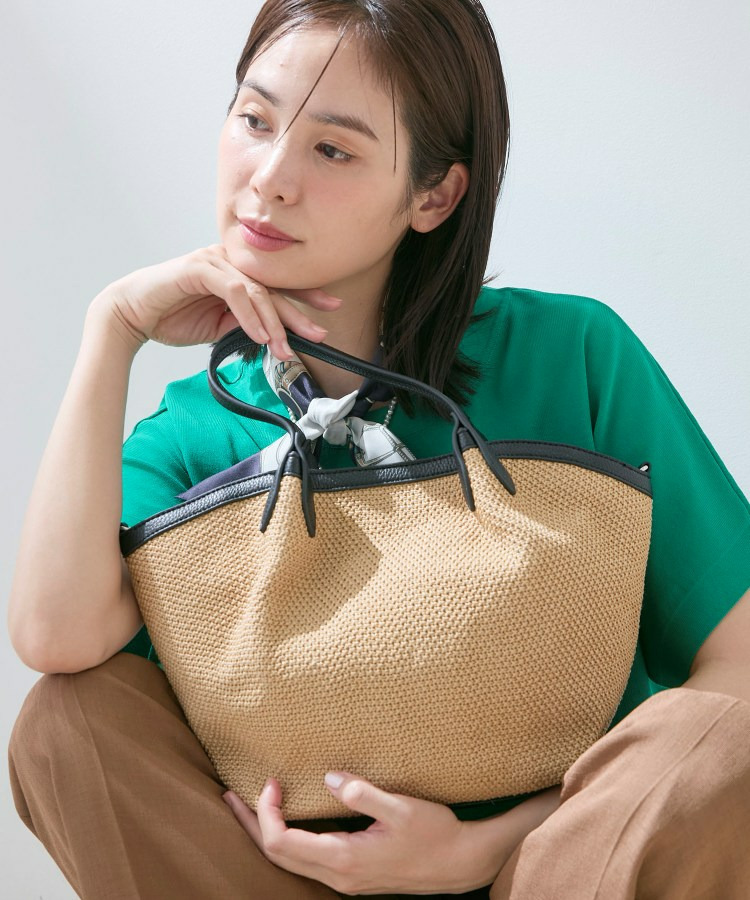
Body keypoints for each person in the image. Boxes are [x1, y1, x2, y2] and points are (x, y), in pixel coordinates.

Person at [7, 0, 750, 897]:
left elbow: (741, 667)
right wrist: (113, 328)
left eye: (333, 149)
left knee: (719, 736)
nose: (270, 178)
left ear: (435, 195)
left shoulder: (573, 357)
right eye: (255, 119)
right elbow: (54, 638)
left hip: (560, 871)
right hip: (274, 884)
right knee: (67, 720)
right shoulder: (193, 432)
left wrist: (486, 849)